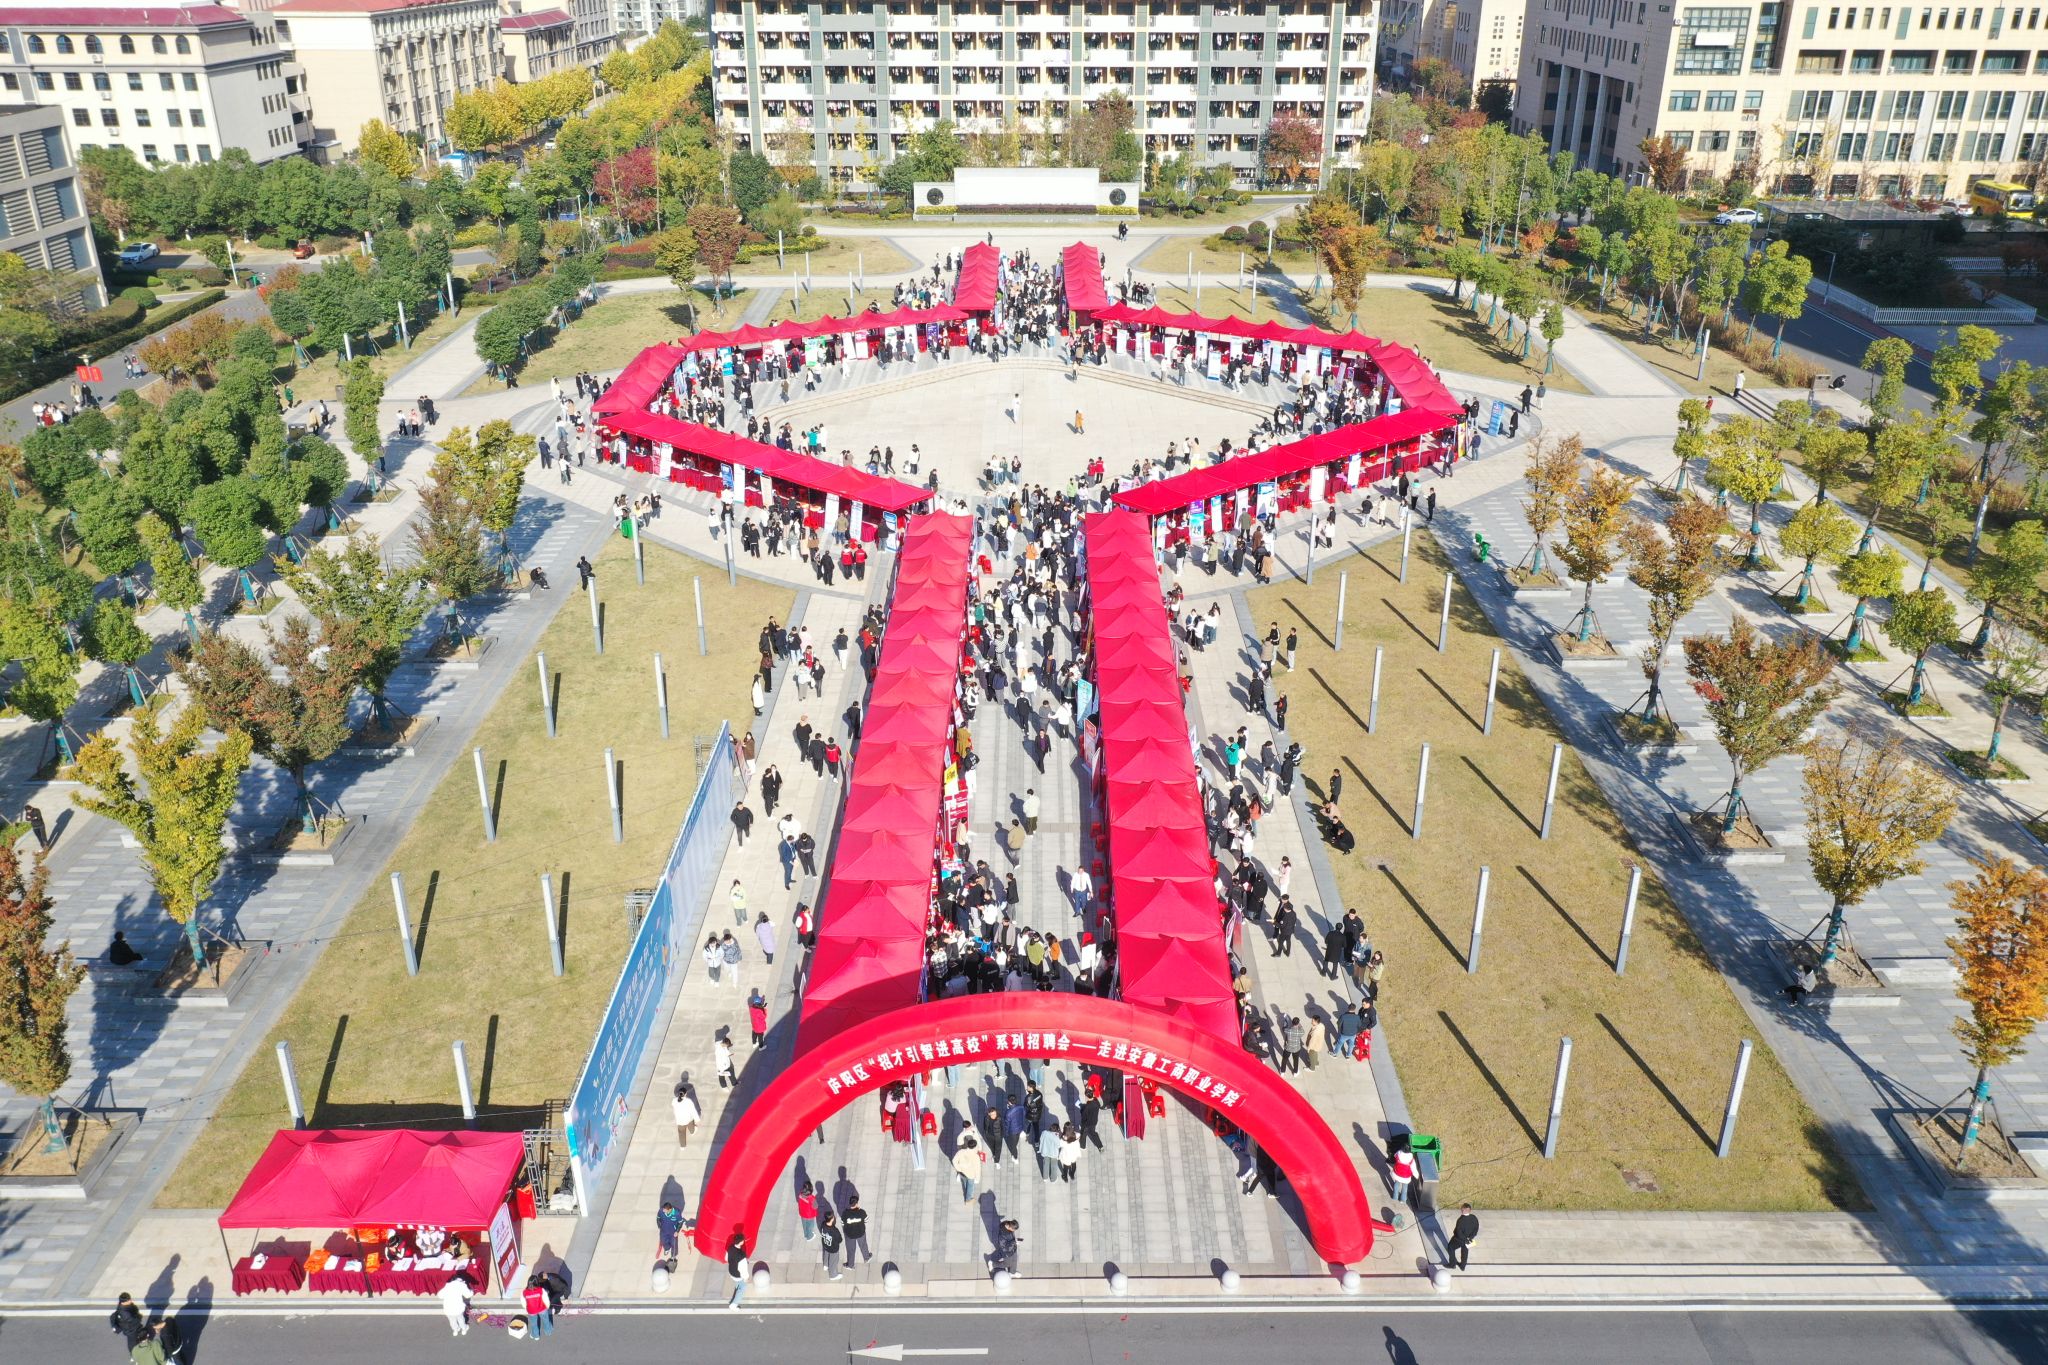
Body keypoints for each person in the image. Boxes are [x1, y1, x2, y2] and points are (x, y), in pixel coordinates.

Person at [438, 1271, 475, 1337]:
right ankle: (464, 1329)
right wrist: (472, 1291)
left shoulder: (448, 1285)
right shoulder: (462, 1285)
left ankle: (455, 1330)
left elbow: (440, 1295)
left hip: (448, 1308)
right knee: (461, 1319)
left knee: (452, 1321)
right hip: (458, 1308)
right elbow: (468, 1295)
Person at [953, 1134, 987, 1203]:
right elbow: (977, 1169)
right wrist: (977, 1179)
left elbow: (954, 1161)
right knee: (970, 1188)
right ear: (975, 1147)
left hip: (962, 1172)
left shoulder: (961, 1152)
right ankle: (968, 1200)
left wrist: (959, 1168)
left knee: (965, 1182)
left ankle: (966, 1191)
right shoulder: (976, 1157)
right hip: (971, 1175)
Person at [1446, 1202, 1480, 1271]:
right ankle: (1462, 1266)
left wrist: (1464, 1239)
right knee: (1465, 1252)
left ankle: (1452, 1264)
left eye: (1462, 1208)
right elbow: (1476, 1229)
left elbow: (1459, 1232)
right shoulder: (1474, 1217)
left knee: (1450, 1247)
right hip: (1469, 1240)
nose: (1461, 1209)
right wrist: (1470, 1237)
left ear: (1464, 1210)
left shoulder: (1460, 1220)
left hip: (1459, 1239)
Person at [840, 1195, 872, 1267]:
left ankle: (850, 1265)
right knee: (863, 1245)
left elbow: (842, 1224)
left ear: (850, 1204)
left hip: (849, 1235)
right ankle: (867, 1257)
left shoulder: (845, 1213)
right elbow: (866, 1221)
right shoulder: (862, 1212)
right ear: (857, 1203)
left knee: (851, 1250)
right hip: (860, 1233)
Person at [522, 1272, 554, 1339]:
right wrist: (547, 1306)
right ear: (537, 1282)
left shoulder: (524, 1292)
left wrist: (527, 1308)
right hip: (542, 1309)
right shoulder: (541, 1290)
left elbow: (523, 1303)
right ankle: (548, 1331)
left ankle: (536, 1336)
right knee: (546, 1320)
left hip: (531, 1311)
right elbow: (546, 1300)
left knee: (534, 1323)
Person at [725, 1228, 750, 1309]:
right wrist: (746, 1278)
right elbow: (743, 1269)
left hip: (731, 1271)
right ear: (741, 1242)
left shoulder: (730, 1247)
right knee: (742, 1289)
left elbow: (726, 1258)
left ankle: (733, 1299)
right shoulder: (741, 1255)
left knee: (738, 1284)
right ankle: (734, 1304)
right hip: (737, 1275)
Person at [672, 1077, 700, 1147]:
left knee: (681, 1133)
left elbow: (674, 1106)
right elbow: (693, 1111)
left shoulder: (674, 1101)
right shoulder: (688, 1101)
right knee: (691, 1126)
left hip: (680, 1121)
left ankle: (682, 1146)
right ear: (685, 1094)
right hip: (688, 1119)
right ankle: (692, 1132)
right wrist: (697, 1119)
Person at [817, 1208, 844, 1280]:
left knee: (826, 1254)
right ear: (832, 1219)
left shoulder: (823, 1224)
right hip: (833, 1248)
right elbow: (840, 1240)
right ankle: (833, 1275)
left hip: (826, 1245)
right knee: (833, 1261)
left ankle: (825, 1265)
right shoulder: (834, 1230)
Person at [656, 1201, 684, 1266]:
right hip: (663, 1231)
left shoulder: (677, 1213)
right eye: (663, 1210)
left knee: (674, 1244)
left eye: (665, 1211)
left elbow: (680, 1222)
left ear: (670, 1209)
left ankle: (673, 1255)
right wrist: (659, 1226)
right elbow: (658, 1218)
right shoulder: (661, 1211)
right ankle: (667, 1248)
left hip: (673, 1232)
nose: (663, 1211)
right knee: (663, 1241)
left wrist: (677, 1231)